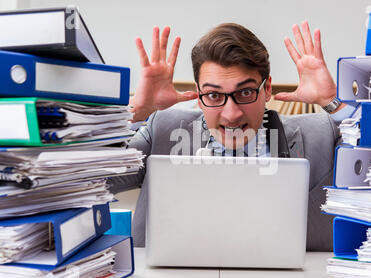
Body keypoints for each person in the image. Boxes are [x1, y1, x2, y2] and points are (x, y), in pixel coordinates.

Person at [108, 21, 353, 251]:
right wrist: (134, 114)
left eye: (245, 92)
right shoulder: (162, 130)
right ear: (199, 95)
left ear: (267, 89)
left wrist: (333, 102)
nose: (232, 113)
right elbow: (94, 182)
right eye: (214, 96)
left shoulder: (322, 133)